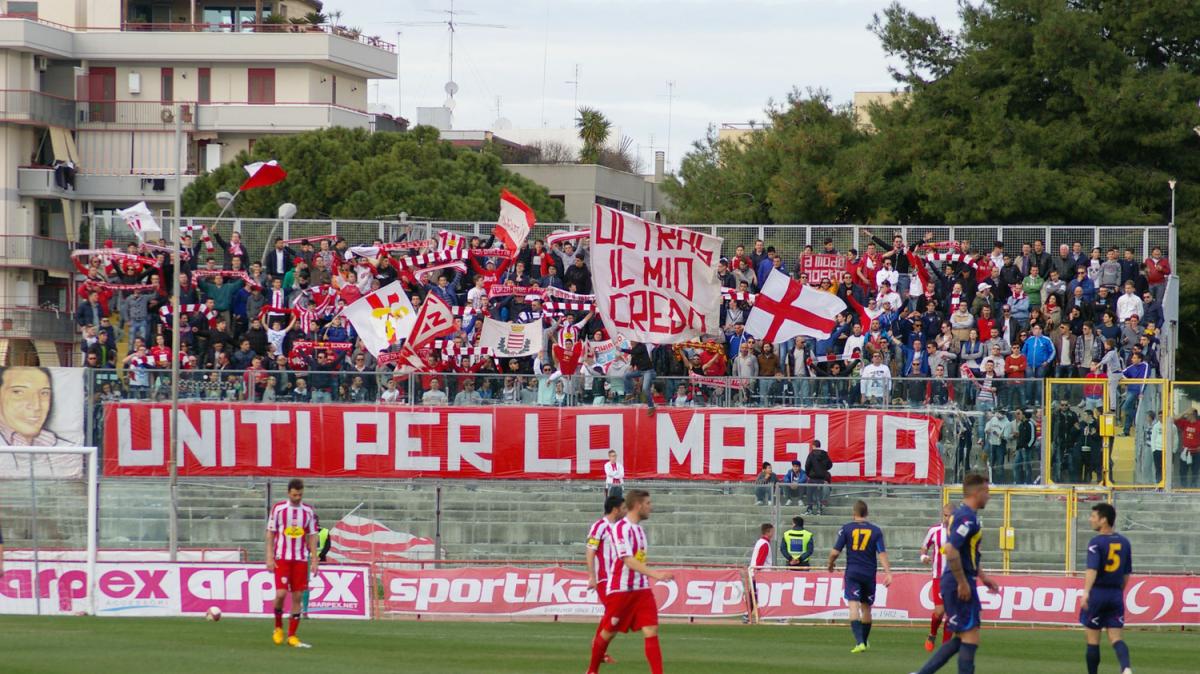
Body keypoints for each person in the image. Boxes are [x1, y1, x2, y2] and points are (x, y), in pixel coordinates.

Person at [909, 473, 1000, 674]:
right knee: (970, 637)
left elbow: (968, 553)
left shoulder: (964, 517)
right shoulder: (967, 519)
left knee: (963, 637)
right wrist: (962, 582)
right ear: (977, 492)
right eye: (986, 492)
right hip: (958, 580)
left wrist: (982, 577)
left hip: (961, 578)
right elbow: (951, 550)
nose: (989, 496)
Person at [586, 489, 673, 674]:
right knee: (608, 631)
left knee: (651, 630)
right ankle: (592, 670)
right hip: (621, 589)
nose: (651, 507)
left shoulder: (640, 531)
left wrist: (649, 575)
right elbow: (628, 560)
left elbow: (639, 559)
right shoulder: (620, 528)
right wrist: (656, 575)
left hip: (641, 589)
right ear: (639, 505)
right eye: (648, 504)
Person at [828, 500, 892, 653]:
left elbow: (835, 552)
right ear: (867, 513)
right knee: (866, 608)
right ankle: (864, 640)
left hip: (853, 572)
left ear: (854, 513)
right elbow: (881, 553)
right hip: (869, 573)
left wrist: (830, 564)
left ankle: (859, 642)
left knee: (853, 605)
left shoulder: (846, 529)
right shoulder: (876, 531)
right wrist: (888, 572)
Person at [1080, 503, 1133, 674]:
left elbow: (1092, 569)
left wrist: (1086, 592)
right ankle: (1126, 668)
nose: (1090, 520)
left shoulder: (1096, 543)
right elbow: (1126, 573)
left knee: (1093, 640)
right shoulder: (1124, 542)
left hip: (1098, 594)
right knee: (1116, 638)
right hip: (1116, 594)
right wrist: (1118, 592)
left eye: (1093, 517)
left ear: (1103, 520)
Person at [266, 478, 318, 648]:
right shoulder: (279, 509)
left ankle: (292, 636)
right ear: (289, 493)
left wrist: (315, 559)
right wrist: (269, 556)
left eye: (300, 495)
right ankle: (278, 627)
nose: (297, 498)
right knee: (280, 594)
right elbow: (270, 533)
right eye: (295, 495)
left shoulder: (308, 511)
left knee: (297, 597)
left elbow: (312, 535)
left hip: (301, 559)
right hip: (282, 557)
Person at [585, 495, 625, 667]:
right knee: (614, 614)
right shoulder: (599, 527)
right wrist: (592, 576)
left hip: (618, 580)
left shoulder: (621, 528)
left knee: (614, 615)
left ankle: (598, 647)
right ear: (615, 509)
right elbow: (590, 551)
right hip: (604, 579)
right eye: (623, 508)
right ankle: (598, 648)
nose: (625, 511)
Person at [921, 504, 954, 651]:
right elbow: (924, 546)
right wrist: (923, 556)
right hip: (939, 576)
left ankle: (945, 646)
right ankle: (932, 634)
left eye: (950, 516)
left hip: (956, 578)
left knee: (951, 613)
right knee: (939, 612)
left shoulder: (961, 532)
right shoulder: (935, 530)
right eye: (945, 515)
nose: (947, 518)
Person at [804, 440, 833, 515]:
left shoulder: (811, 454)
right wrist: (824, 470)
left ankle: (809, 509)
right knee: (819, 494)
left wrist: (809, 474)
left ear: (813, 446)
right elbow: (830, 465)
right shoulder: (825, 454)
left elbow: (807, 465)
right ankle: (819, 510)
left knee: (809, 493)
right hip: (822, 478)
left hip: (813, 478)